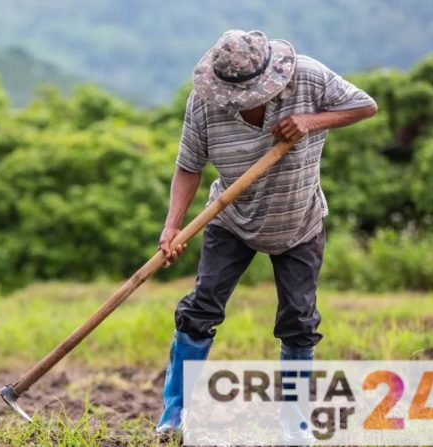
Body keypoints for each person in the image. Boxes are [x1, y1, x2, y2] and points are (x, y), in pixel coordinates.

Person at [156, 29, 378, 435]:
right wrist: (173, 227)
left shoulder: (309, 77)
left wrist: (311, 121)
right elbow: (189, 165)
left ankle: (296, 426)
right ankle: (174, 415)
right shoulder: (205, 103)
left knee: (299, 320)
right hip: (231, 219)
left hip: (299, 221)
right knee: (200, 309)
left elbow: (365, 106)